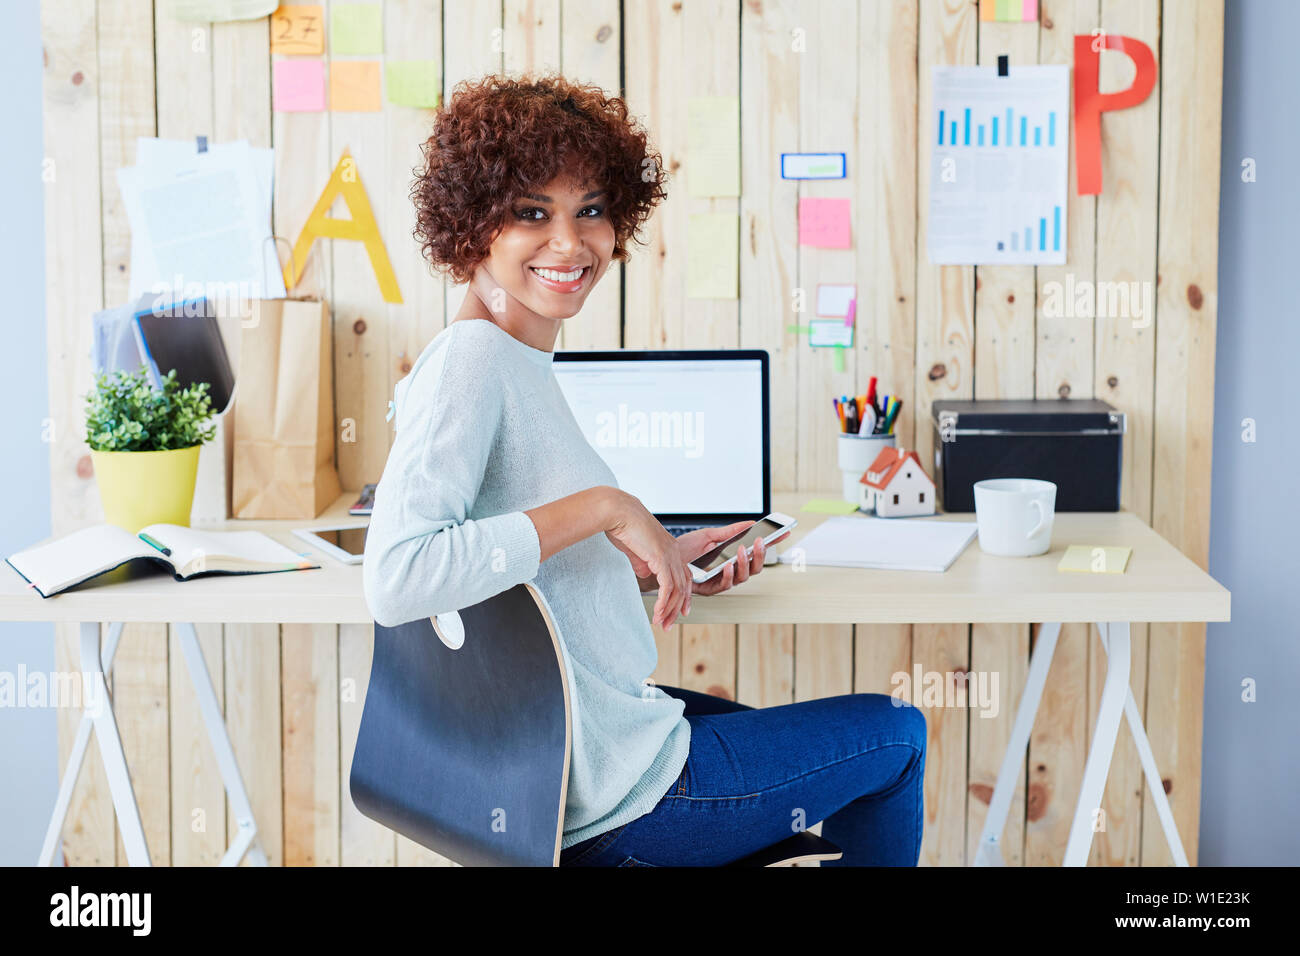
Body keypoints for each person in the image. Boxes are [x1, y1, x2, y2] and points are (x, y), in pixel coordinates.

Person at [362, 72, 926, 866]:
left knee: (796, 737)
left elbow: (508, 586)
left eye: (590, 210)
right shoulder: (471, 364)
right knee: (897, 735)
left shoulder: (511, 360)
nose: (571, 242)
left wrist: (648, 564)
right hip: (616, 801)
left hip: (588, 750)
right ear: (471, 227)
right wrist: (603, 509)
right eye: (533, 213)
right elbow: (397, 576)